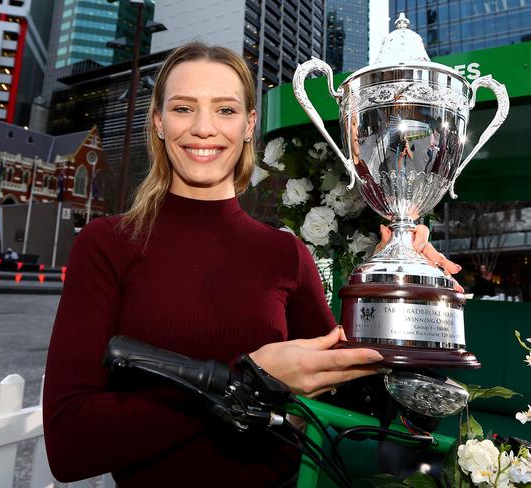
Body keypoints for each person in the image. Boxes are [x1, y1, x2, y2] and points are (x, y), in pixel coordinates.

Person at [43, 43, 462, 487]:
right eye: (184, 108)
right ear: (159, 123)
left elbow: (362, 405)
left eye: (225, 110)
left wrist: (406, 294)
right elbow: (70, 443)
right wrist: (246, 382)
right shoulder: (108, 244)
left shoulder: (286, 254)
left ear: (248, 125)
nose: (204, 128)